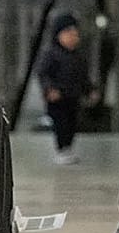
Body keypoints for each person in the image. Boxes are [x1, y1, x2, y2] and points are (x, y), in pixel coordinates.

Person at [38, 13, 96, 166]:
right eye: (68, 34)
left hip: (73, 97)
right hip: (58, 98)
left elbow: (84, 77)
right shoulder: (51, 55)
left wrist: (90, 90)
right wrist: (49, 90)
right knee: (61, 124)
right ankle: (61, 149)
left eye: (75, 35)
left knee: (72, 124)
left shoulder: (78, 57)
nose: (72, 38)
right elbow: (44, 74)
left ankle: (68, 148)